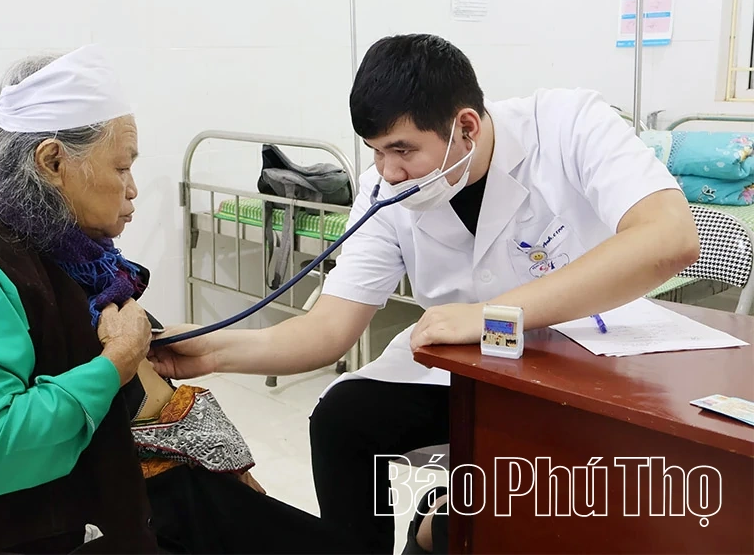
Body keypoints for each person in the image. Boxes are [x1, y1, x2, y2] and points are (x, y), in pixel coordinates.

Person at [148, 33, 701, 554]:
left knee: (511, 509)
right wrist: (211, 349)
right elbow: (328, 328)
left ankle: (439, 520)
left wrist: (492, 316)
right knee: (343, 418)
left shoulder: (567, 125)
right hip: (466, 371)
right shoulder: (385, 191)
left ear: (466, 127)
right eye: (375, 151)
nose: (389, 172)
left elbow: (670, 237)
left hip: (583, 363)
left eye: (402, 150)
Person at [0, 46, 368, 554]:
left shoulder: (64, 248)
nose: (133, 189)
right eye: (122, 167)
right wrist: (116, 363)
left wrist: (220, 460)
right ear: (52, 162)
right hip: (70, 529)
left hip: (139, 487)